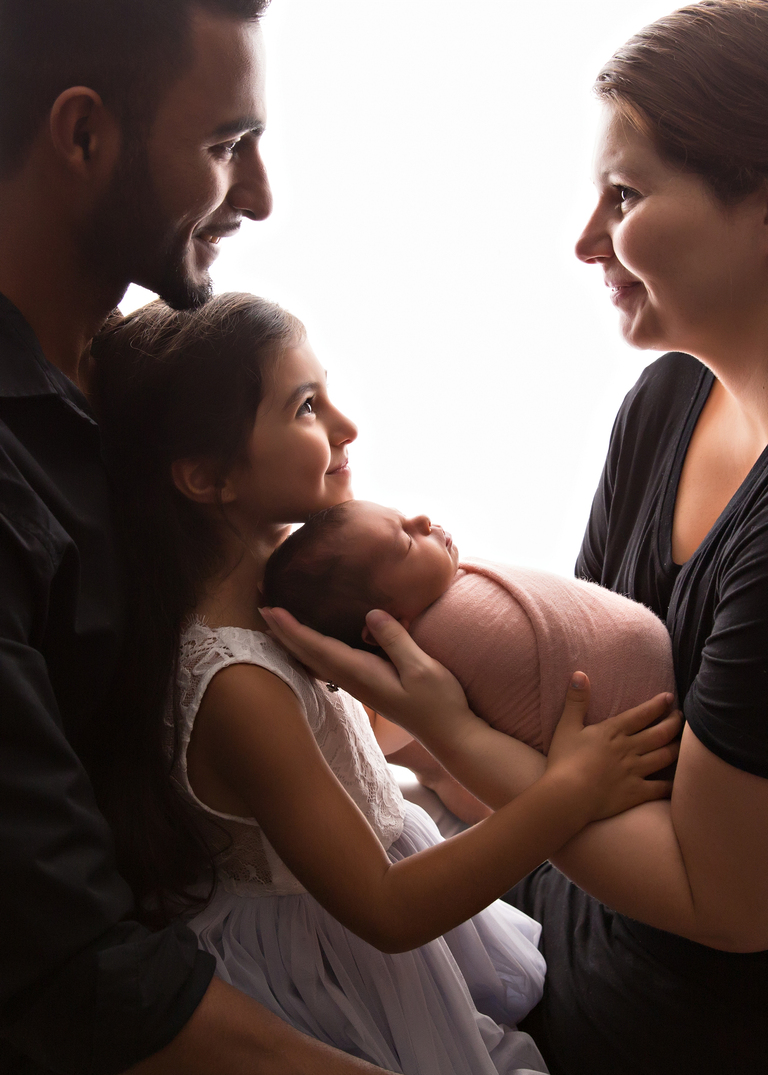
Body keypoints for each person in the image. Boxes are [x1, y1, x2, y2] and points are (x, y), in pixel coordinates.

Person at [261, 2, 768, 1072]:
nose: (586, 240)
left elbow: (718, 901)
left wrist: (442, 727)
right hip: (560, 920)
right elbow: (576, 721)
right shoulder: (667, 399)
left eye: (625, 197)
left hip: (673, 1021)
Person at [91, 292, 680, 1075]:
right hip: (330, 967)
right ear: (207, 477)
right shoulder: (236, 685)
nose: (345, 427)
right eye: (306, 406)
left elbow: (353, 751)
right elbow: (387, 908)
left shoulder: (292, 602)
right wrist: (566, 791)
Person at [0, 2, 401, 1073]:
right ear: (82, 136)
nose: (262, 197)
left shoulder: (133, 376)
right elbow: (77, 973)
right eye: (228, 146)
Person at [262, 498, 675, 753]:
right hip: (643, 736)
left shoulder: (438, 598)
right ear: (380, 624)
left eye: (404, 516)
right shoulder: (436, 646)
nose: (423, 520)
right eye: (405, 542)